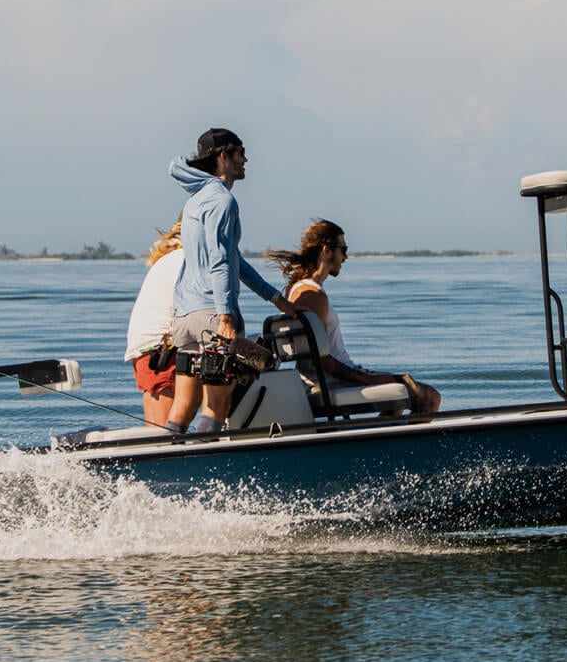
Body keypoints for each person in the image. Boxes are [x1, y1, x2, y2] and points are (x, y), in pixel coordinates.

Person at [165, 128, 296, 435]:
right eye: (240, 151)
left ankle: (167, 465)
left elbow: (233, 259)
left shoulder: (196, 200)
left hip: (185, 316)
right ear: (223, 156)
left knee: (183, 407)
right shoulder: (223, 202)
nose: (246, 159)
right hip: (213, 313)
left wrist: (274, 298)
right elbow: (221, 262)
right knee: (216, 407)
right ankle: (207, 476)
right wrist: (225, 317)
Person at [262, 219, 442, 414]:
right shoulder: (313, 296)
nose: (346, 257)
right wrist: (367, 379)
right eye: (343, 249)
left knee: (395, 398)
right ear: (326, 250)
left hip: (321, 378)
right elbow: (321, 360)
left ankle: (382, 440)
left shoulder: (296, 290)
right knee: (429, 397)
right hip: (327, 382)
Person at [124, 219, 182, 427]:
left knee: (158, 428)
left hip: (148, 347)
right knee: (163, 432)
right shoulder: (186, 259)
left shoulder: (167, 260)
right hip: (162, 349)